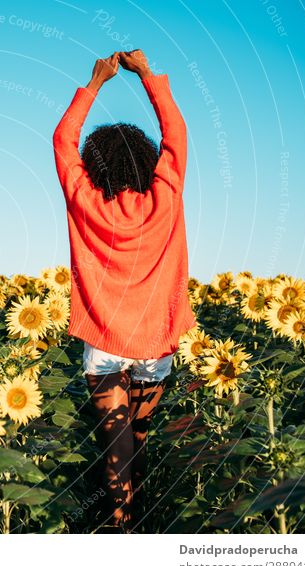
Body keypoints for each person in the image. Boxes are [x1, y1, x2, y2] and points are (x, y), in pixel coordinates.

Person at [52, 49, 197, 532]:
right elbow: (176, 136)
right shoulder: (166, 196)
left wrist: (95, 83)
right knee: (137, 440)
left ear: (97, 167)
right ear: (147, 162)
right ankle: (142, 522)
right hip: (155, 343)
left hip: (105, 345)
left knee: (115, 449)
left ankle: (119, 527)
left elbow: (62, 141)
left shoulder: (85, 201)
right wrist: (149, 77)